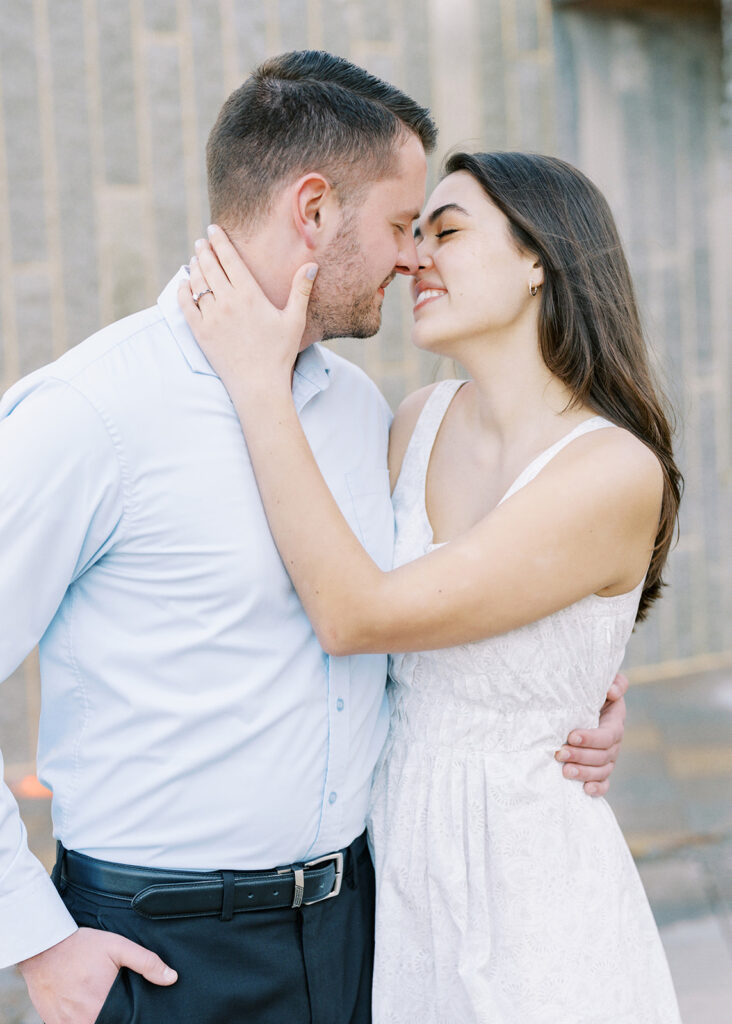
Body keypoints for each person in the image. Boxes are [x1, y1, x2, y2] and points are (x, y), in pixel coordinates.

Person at [0, 53, 624, 1024]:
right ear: (314, 210)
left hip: (364, 935)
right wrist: (35, 941)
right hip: (165, 955)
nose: (415, 256)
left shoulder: (363, 412)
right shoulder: (92, 413)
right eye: (400, 225)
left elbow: (433, 597)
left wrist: (573, 682)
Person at [179, 150, 683, 1021]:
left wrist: (256, 379)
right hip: (403, 884)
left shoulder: (611, 470)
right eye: (413, 234)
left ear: (540, 260)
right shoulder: (413, 422)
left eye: (445, 231)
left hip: (535, 893)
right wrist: (581, 678)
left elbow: (354, 613)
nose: (415, 258)